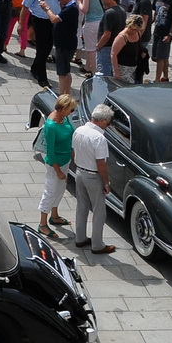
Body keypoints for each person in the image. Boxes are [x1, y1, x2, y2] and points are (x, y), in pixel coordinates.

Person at [70, 105, 115, 255]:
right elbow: (101, 164)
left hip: (80, 172)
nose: (107, 126)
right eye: (108, 123)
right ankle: (97, 244)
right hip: (93, 176)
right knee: (99, 211)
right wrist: (106, 183)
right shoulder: (99, 138)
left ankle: (80, 237)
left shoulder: (79, 130)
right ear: (102, 121)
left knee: (81, 206)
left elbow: (74, 152)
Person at [36, 95, 76, 238]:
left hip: (65, 160)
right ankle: (42, 224)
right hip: (55, 163)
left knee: (60, 189)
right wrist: (58, 170)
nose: (72, 113)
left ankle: (54, 215)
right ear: (63, 108)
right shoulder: (51, 125)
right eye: (71, 110)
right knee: (50, 191)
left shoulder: (64, 118)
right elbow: (50, 152)